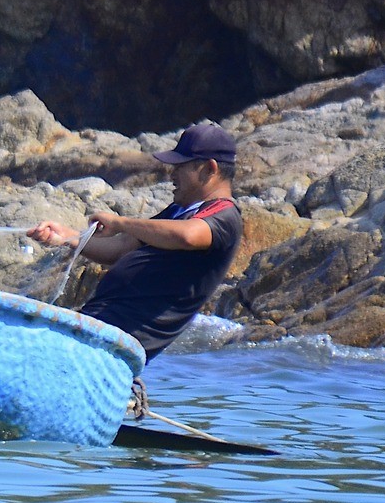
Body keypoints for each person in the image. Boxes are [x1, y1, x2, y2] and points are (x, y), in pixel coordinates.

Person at [27, 122, 244, 361]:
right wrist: (68, 237)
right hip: (99, 326)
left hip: (118, 344)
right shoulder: (177, 212)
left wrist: (120, 222)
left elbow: (188, 236)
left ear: (209, 169)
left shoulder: (226, 217)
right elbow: (120, 249)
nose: (171, 175)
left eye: (179, 167)